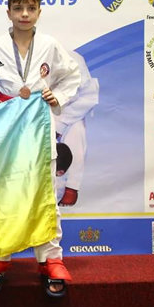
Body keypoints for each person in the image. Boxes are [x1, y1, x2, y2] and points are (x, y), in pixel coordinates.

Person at [0, 0, 81, 298]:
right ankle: (0, 256)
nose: (24, 14)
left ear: (38, 12)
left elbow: (72, 75)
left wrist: (57, 95)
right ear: (8, 12)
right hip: (5, 129)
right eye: (18, 8)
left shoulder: (50, 45)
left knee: (46, 195)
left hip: (39, 126)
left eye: (31, 9)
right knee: (3, 194)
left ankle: (51, 258)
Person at [54, 51, 99, 207]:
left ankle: (71, 187)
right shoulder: (29, 57)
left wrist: (60, 125)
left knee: (76, 130)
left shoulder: (74, 59)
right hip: (40, 111)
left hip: (70, 112)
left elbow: (89, 98)